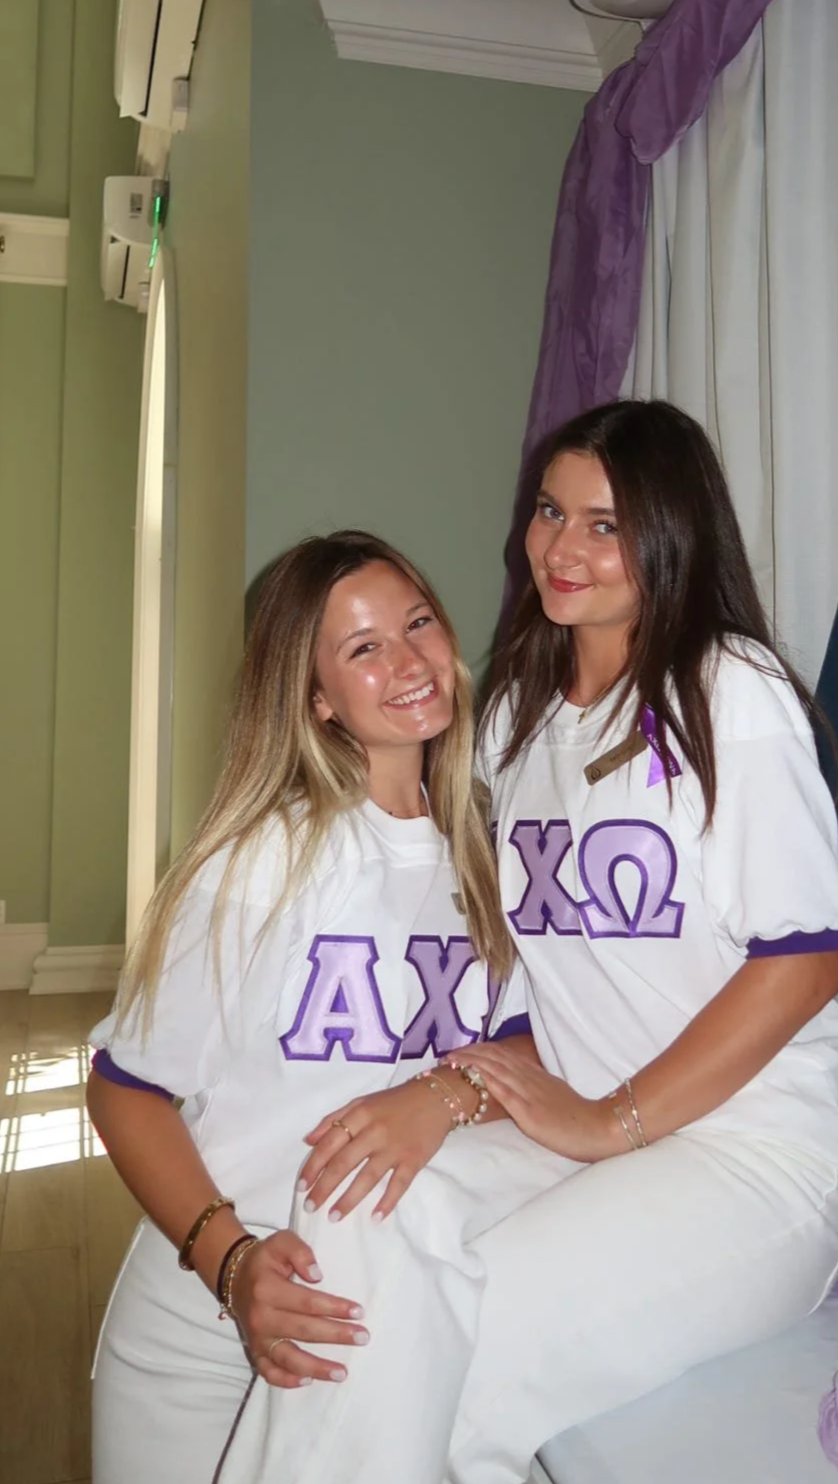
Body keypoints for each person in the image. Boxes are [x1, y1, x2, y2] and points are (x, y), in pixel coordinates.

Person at [216, 400, 838, 1484]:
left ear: (671, 530)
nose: (560, 548)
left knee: (441, 1358)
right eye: (548, 512)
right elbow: (524, 991)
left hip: (750, 1149)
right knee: (357, 1213)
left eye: (604, 525)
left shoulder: (726, 689)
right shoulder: (513, 717)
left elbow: (800, 964)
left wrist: (609, 1120)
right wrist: (443, 1094)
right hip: (570, 1125)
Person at [87, 531, 540, 1484]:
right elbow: (127, 1091)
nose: (408, 659)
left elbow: (523, 1055)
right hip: (208, 1332)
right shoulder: (264, 862)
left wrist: (445, 1094)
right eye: (363, 646)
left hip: (374, 1319)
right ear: (316, 698)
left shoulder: (489, 847)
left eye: (416, 623)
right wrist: (233, 1265)